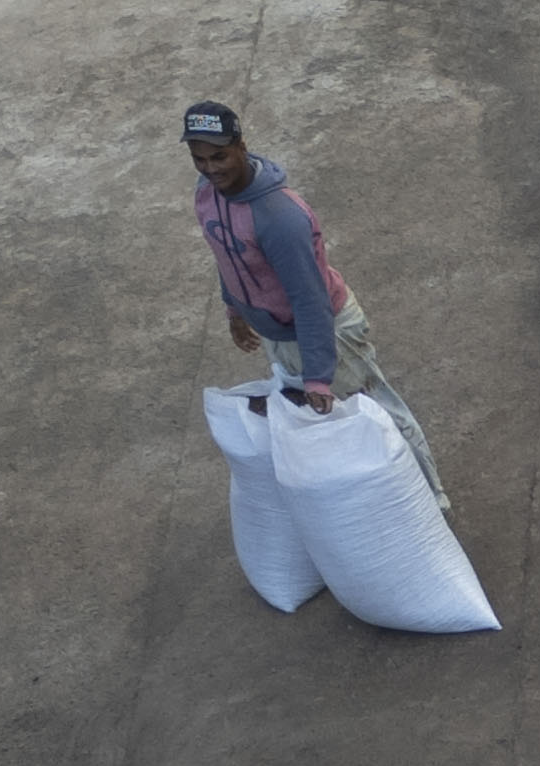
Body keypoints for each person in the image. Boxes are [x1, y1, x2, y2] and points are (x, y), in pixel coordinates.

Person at [184, 100, 447, 511]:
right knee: (337, 427)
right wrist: (234, 309)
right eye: (199, 159)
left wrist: (319, 377)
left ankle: (431, 502)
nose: (211, 169)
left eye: (219, 156)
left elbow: (311, 302)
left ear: (242, 145)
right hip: (279, 331)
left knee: (377, 416)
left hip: (326, 332)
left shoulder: (279, 218)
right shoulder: (207, 195)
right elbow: (225, 254)